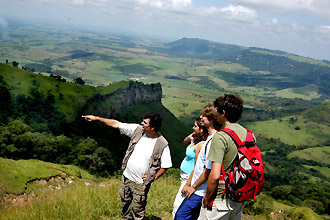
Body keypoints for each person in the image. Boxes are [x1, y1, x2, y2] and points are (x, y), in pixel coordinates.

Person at [82, 112, 172, 220]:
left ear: (152, 127)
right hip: (126, 177)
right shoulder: (138, 130)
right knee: (125, 206)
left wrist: (154, 177)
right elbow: (116, 124)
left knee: (137, 211)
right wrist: (96, 118)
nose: (141, 123)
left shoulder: (162, 143)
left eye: (145, 123)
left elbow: (166, 165)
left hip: (140, 183)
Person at [200, 94, 252, 220]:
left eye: (217, 110)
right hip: (239, 198)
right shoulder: (248, 134)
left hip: (220, 199)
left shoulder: (220, 137)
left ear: (223, 113)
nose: (215, 113)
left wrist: (207, 197)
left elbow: (215, 175)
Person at [175, 104, 221, 220]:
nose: (201, 117)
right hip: (198, 189)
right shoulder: (209, 140)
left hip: (199, 191)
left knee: (180, 216)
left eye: (204, 116)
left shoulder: (212, 142)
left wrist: (192, 186)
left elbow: (208, 170)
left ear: (210, 120)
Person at [172, 117, 208, 217]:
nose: (193, 127)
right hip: (184, 176)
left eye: (195, 126)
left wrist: (188, 184)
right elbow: (185, 142)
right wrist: (191, 136)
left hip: (189, 178)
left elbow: (197, 167)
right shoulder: (196, 139)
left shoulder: (201, 145)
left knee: (178, 206)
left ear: (201, 129)